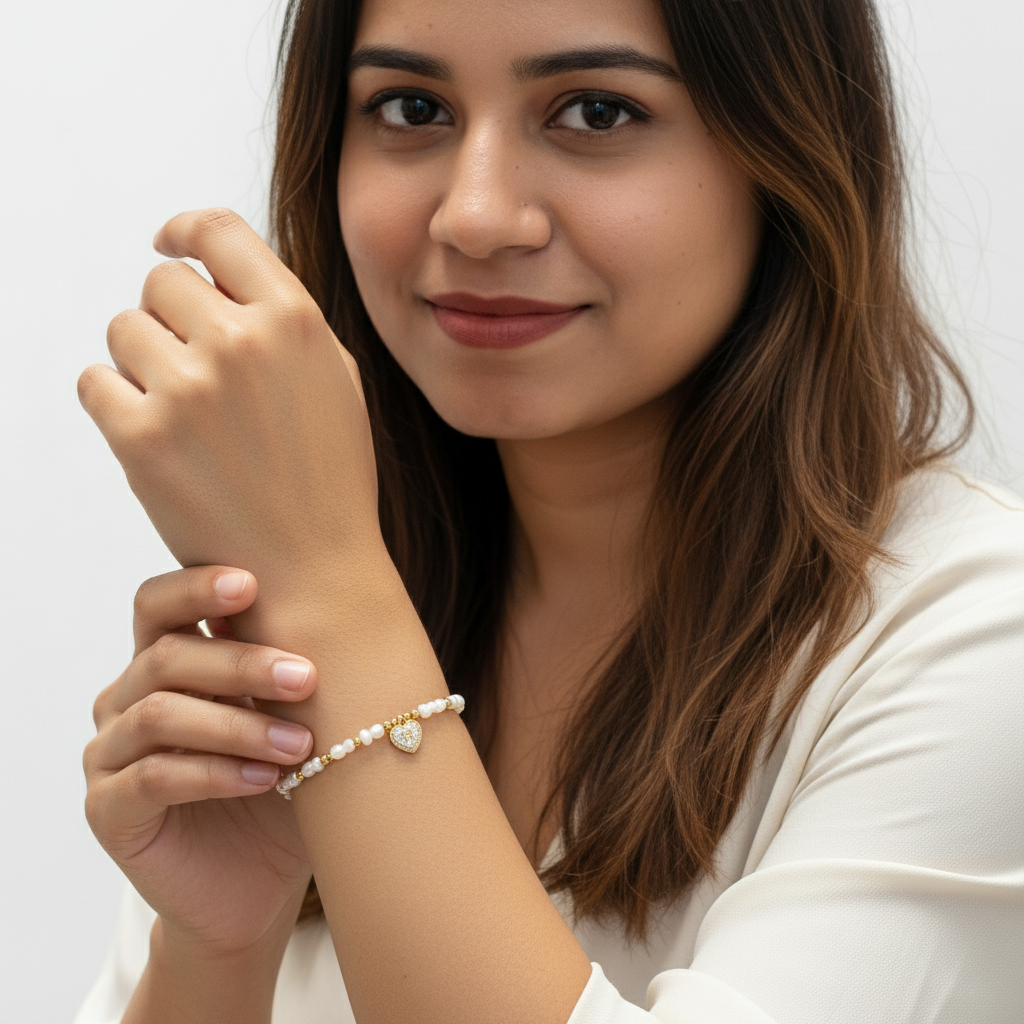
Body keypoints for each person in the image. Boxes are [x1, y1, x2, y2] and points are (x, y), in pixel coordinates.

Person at [74, 0, 1023, 1020]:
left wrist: (326, 593)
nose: (474, 215)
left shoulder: (974, 634)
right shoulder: (326, 614)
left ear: (786, 149)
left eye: (598, 113)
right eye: (408, 106)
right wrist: (217, 948)